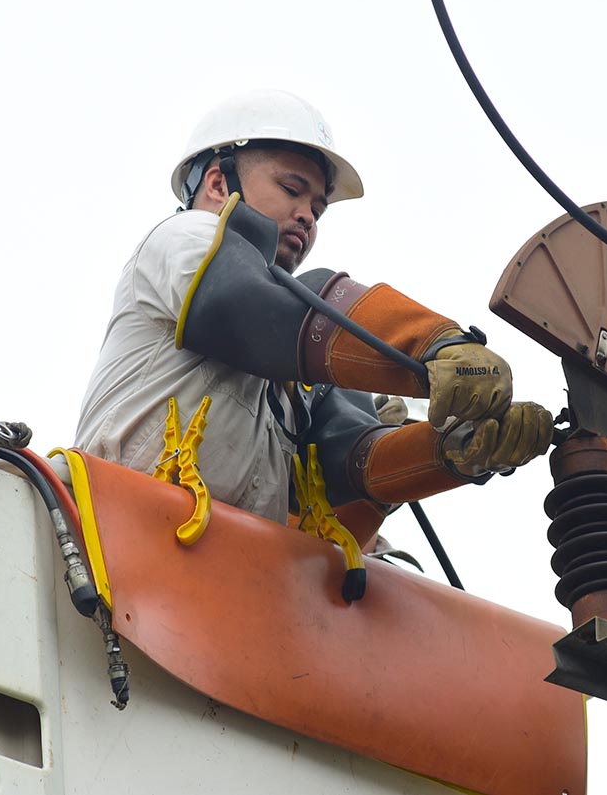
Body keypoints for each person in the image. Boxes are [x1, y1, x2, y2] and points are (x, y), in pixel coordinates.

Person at [75, 89, 552, 543]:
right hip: (113, 536)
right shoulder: (183, 239)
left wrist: (453, 447)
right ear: (218, 184)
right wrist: (432, 347)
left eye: (318, 209)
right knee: (313, 305)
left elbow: (345, 460)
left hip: (213, 575)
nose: (307, 216)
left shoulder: (291, 373)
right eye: (291, 189)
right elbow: (248, 308)